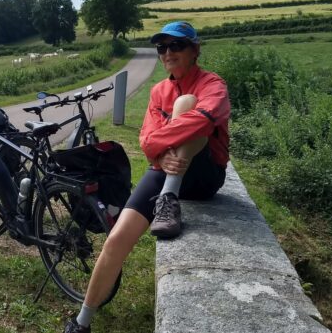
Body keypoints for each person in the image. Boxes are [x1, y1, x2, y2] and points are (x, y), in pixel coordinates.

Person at [64, 21, 230, 333]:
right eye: (161, 47)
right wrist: (159, 151)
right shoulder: (158, 91)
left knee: (187, 106)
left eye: (176, 45)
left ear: (195, 50)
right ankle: (82, 321)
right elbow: (145, 139)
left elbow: (205, 120)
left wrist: (159, 143)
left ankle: (168, 197)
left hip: (204, 175)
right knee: (117, 238)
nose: (168, 53)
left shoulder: (213, 84)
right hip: (164, 167)